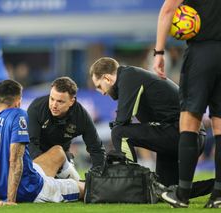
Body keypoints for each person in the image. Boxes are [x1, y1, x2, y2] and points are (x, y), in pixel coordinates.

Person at [89, 57, 214, 200]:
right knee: (166, 191)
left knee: (119, 133)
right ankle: (216, 186)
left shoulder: (128, 76)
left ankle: (128, 186)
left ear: (107, 78)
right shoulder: (131, 76)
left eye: (99, 86)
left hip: (185, 134)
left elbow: (122, 120)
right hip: (182, 134)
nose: (102, 92)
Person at [153, 0, 221, 208]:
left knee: (189, 122)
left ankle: (182, 194)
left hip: (201, 53)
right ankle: (218, 195)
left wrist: (159, 53)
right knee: (219, 127)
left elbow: (168, 10)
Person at [27, 77, 106, 181]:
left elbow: (96, 148)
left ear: (71, 102)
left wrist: (98, 176)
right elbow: (31, 144)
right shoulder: (37, 108)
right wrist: (46, 168)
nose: (54, 105)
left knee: (76, 185)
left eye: (60, 101)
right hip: (37, 156)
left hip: (63, 157)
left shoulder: (81, 116)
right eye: (52, 99)